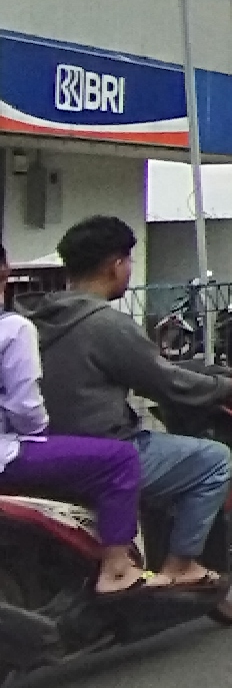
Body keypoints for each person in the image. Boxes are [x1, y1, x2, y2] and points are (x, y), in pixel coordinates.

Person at [28, 215, 232, 589]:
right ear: (116, 265)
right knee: (213, 459)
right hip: (107, 449)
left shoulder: (36, 319)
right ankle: (180, 565)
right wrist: (225, 387)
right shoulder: (106, 324)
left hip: (45, 450)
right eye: (129, 261)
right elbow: (166, 382)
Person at [0, 244, 151, 594]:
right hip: (7, 454)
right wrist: (41, 431)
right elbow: (26, 409)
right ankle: (117, 568)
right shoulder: (15, 329)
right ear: (5, 273)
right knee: (121, 459)